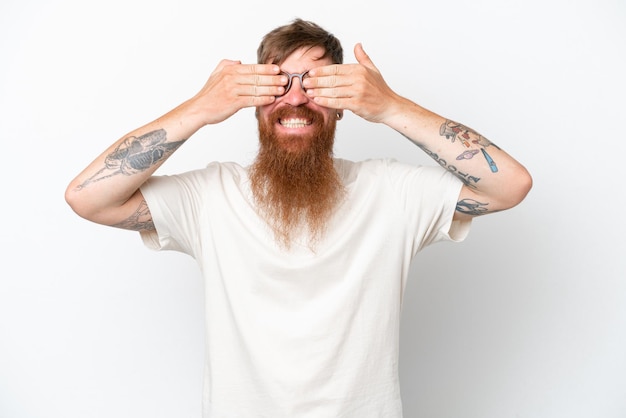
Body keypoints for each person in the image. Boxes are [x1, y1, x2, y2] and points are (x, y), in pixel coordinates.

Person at [65, 18, 531, 418]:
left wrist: (390, 105)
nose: (295, 99)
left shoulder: (392, 193)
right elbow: (89, 198)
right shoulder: (210, 196)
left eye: (317, 85)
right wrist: (203, 107)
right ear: (252, 99)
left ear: (343, 105)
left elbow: (509, 185)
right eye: (276, 84)